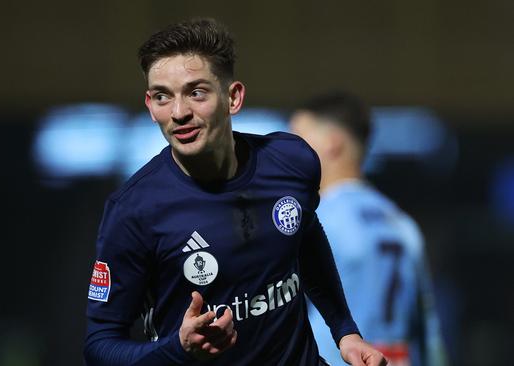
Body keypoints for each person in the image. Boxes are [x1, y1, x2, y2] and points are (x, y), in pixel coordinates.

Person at [84, 19, 387, 366]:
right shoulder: (133, 210)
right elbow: (99, 346)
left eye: (196, 92)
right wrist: (178, 350)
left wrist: (345, 331)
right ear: (151, 106)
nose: (179, 112)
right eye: (163, 96)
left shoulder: (292, 161)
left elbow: (304, 237)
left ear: (233, 97)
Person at [290, 91, 448, 366]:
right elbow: (430, 334)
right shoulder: (402, 224)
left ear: (331, 143)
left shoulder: (314, 219)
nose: (287, 152)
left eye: (297, 139)